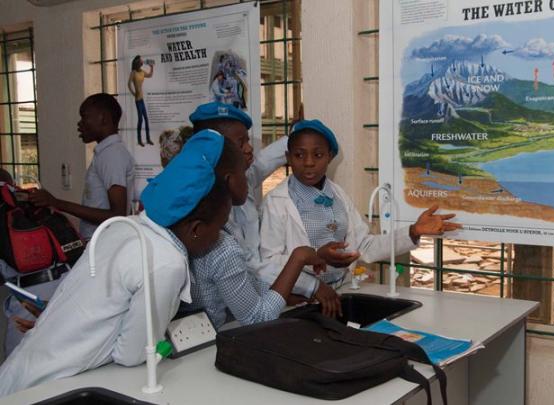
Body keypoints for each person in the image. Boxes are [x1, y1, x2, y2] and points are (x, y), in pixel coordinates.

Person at [0, 130, 237, 396]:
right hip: (53, 386)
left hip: (23, 369)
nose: (219, 238)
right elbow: (131, 354)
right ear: (195, 228)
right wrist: (160, 342)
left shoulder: (123, 228)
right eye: (219, 228)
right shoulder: (166, 262)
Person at [260, 119, 463, 292]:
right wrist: (313, 282)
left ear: (330, 157)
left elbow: (364, 246)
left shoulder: (338, 196)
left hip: (341, 290)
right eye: (299, 155)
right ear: (288, 158)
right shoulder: (276, 202)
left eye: (318, 155)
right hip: (299, 298)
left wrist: (413, 231)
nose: (309, 162)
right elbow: (269, 263)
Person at [182, 102, 329, 326]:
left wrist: (296, 134)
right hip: (219, 322)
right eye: (241, 142)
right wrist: (309, 285)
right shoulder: (213, 224)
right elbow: (249, 269)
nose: (250, 149)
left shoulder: (237, 177)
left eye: (248, 140)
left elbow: (264, 162)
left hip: (243, 306)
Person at [28, 93, 135, 241]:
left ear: (103, 118)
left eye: (84, 117)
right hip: (99, 242)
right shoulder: (106, 153)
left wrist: (56, 202)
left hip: (105, 243)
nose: (80, 124)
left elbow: (117, 216)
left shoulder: (112, 155)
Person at [128, 55, 154, 147]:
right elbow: (129, 84)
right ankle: (139, 140)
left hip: (141, 99)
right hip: (138, 99)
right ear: (138, 63)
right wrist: (133, 93)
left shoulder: (142, 72)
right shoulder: (133, 72)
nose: (142, 62)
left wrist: (152, 67)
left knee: (146, 119)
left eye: (142, 61)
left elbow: (150, 75)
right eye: (141, 61)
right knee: (140, 119)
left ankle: (148, 139)